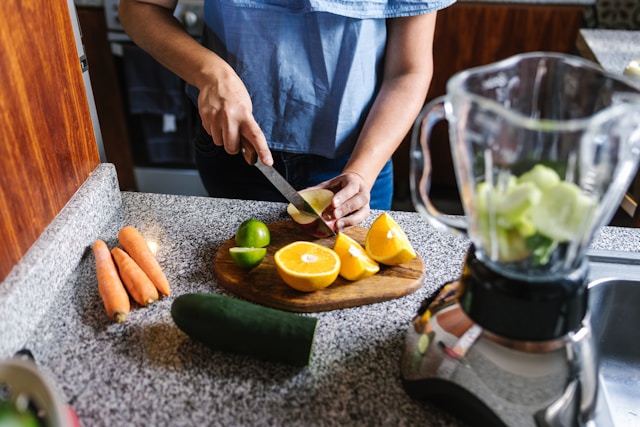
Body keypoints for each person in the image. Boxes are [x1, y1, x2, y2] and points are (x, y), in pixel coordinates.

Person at [118, 0, 454, 232]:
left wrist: (362, 173)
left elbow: (408, 71)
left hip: (358, 165)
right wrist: (212, 75)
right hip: (237, 154)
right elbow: (139, 8)